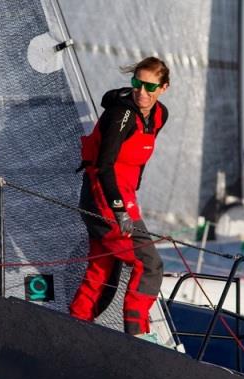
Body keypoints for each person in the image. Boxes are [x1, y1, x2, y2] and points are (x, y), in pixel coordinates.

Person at [69, 57, 169, 336]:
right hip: (103, 197)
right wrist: (120, 211)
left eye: (150, 86)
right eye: (137, 83)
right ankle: (137, 338)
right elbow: (103, 167)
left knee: (102, 272)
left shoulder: (160, 115)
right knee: (149, 264)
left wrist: (130, 201)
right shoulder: (121, 115)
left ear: (164, 88)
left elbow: (137, 162)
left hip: (125, 197)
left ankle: (73, 332)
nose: (142, 92)